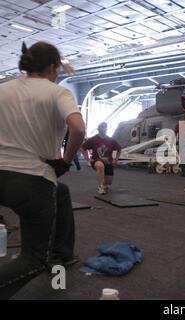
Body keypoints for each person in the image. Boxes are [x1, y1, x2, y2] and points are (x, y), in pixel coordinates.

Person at [0, 42, 85, 299]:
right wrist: (66, 160)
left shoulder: (3, 88)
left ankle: (64, 254)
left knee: (62, 192)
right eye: (57, 69)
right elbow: (78, 129)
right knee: (34, 260)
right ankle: (48, 262)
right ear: (51, 67)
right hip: (32, 181)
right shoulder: (56, 92)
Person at [82, 123, 122, 195]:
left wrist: (116, 159)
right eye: (102, 127)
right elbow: (82, 148)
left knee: (109, 182)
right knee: (100, 166)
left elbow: (119, 149)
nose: (104, 129)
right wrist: (87, 159)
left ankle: (103, 183)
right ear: (98, 129)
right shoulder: (93, 139)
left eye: (105, 127)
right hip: (96, 160)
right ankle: (101, 187)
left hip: (108, 162)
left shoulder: (111, 140)